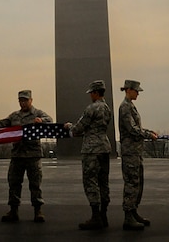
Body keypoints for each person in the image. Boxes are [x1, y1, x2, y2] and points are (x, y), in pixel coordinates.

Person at [0, 89, 52, 223]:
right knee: (14, 183)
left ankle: (38, 211)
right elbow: (3, 122)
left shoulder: (37, 113)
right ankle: (13, 210)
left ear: (31, 100)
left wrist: (41, 121)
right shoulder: (14, 116)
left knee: (35, 184)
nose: (23, 103)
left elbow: (50, 121)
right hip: (17, 155)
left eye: (25, 100)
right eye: (20, 100)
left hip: (33, 155)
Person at [64, 80, 113, 230]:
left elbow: (78, 129)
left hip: (91, 150)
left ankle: (95, 217)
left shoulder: (91, 108)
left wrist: (69, 127)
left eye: (91, 93)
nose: (90, 95)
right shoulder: (106, 108)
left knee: (91, 182)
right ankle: (104, 215)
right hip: (104, 148)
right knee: (103, 183)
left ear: (96, 93)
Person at [118, 79, 158, 231]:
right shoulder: (125, 107)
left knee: (138, 183)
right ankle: (128, 216)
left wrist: (149, 132)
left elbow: (136, 127)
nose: (138, 94)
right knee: (131, 183)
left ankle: (134, 212)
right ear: (128, 90)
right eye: (136, 91)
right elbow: (132, 129)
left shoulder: (130, 106)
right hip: (130, 153)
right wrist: (148, 134)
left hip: (135, 152)